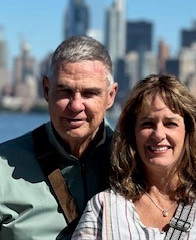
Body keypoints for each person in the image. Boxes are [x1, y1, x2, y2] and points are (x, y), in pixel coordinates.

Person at [72, 73, 196, 239]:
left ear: (189, 132)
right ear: (133, 133)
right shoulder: (104, 208)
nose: (159, 134)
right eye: (147, 124)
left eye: (170, 124)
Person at [0, 35, 118, 240]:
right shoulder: (3, 167)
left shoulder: (138, 162)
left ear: (110, 96)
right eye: (65, 91)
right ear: (46, 89)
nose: (75, 105)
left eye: (89, 93)